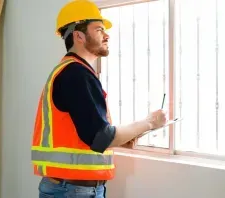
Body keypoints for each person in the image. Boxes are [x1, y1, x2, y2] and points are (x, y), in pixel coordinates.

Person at [30, 0, 167, 197]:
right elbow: (99, 137)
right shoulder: (76, 74)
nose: (107, 35)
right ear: (78, 35)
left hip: (70, 189)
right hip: (73, 191)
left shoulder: (72, 72)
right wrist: (150, 123)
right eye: (99, 29)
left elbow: (86, 132)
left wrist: (122, 139)